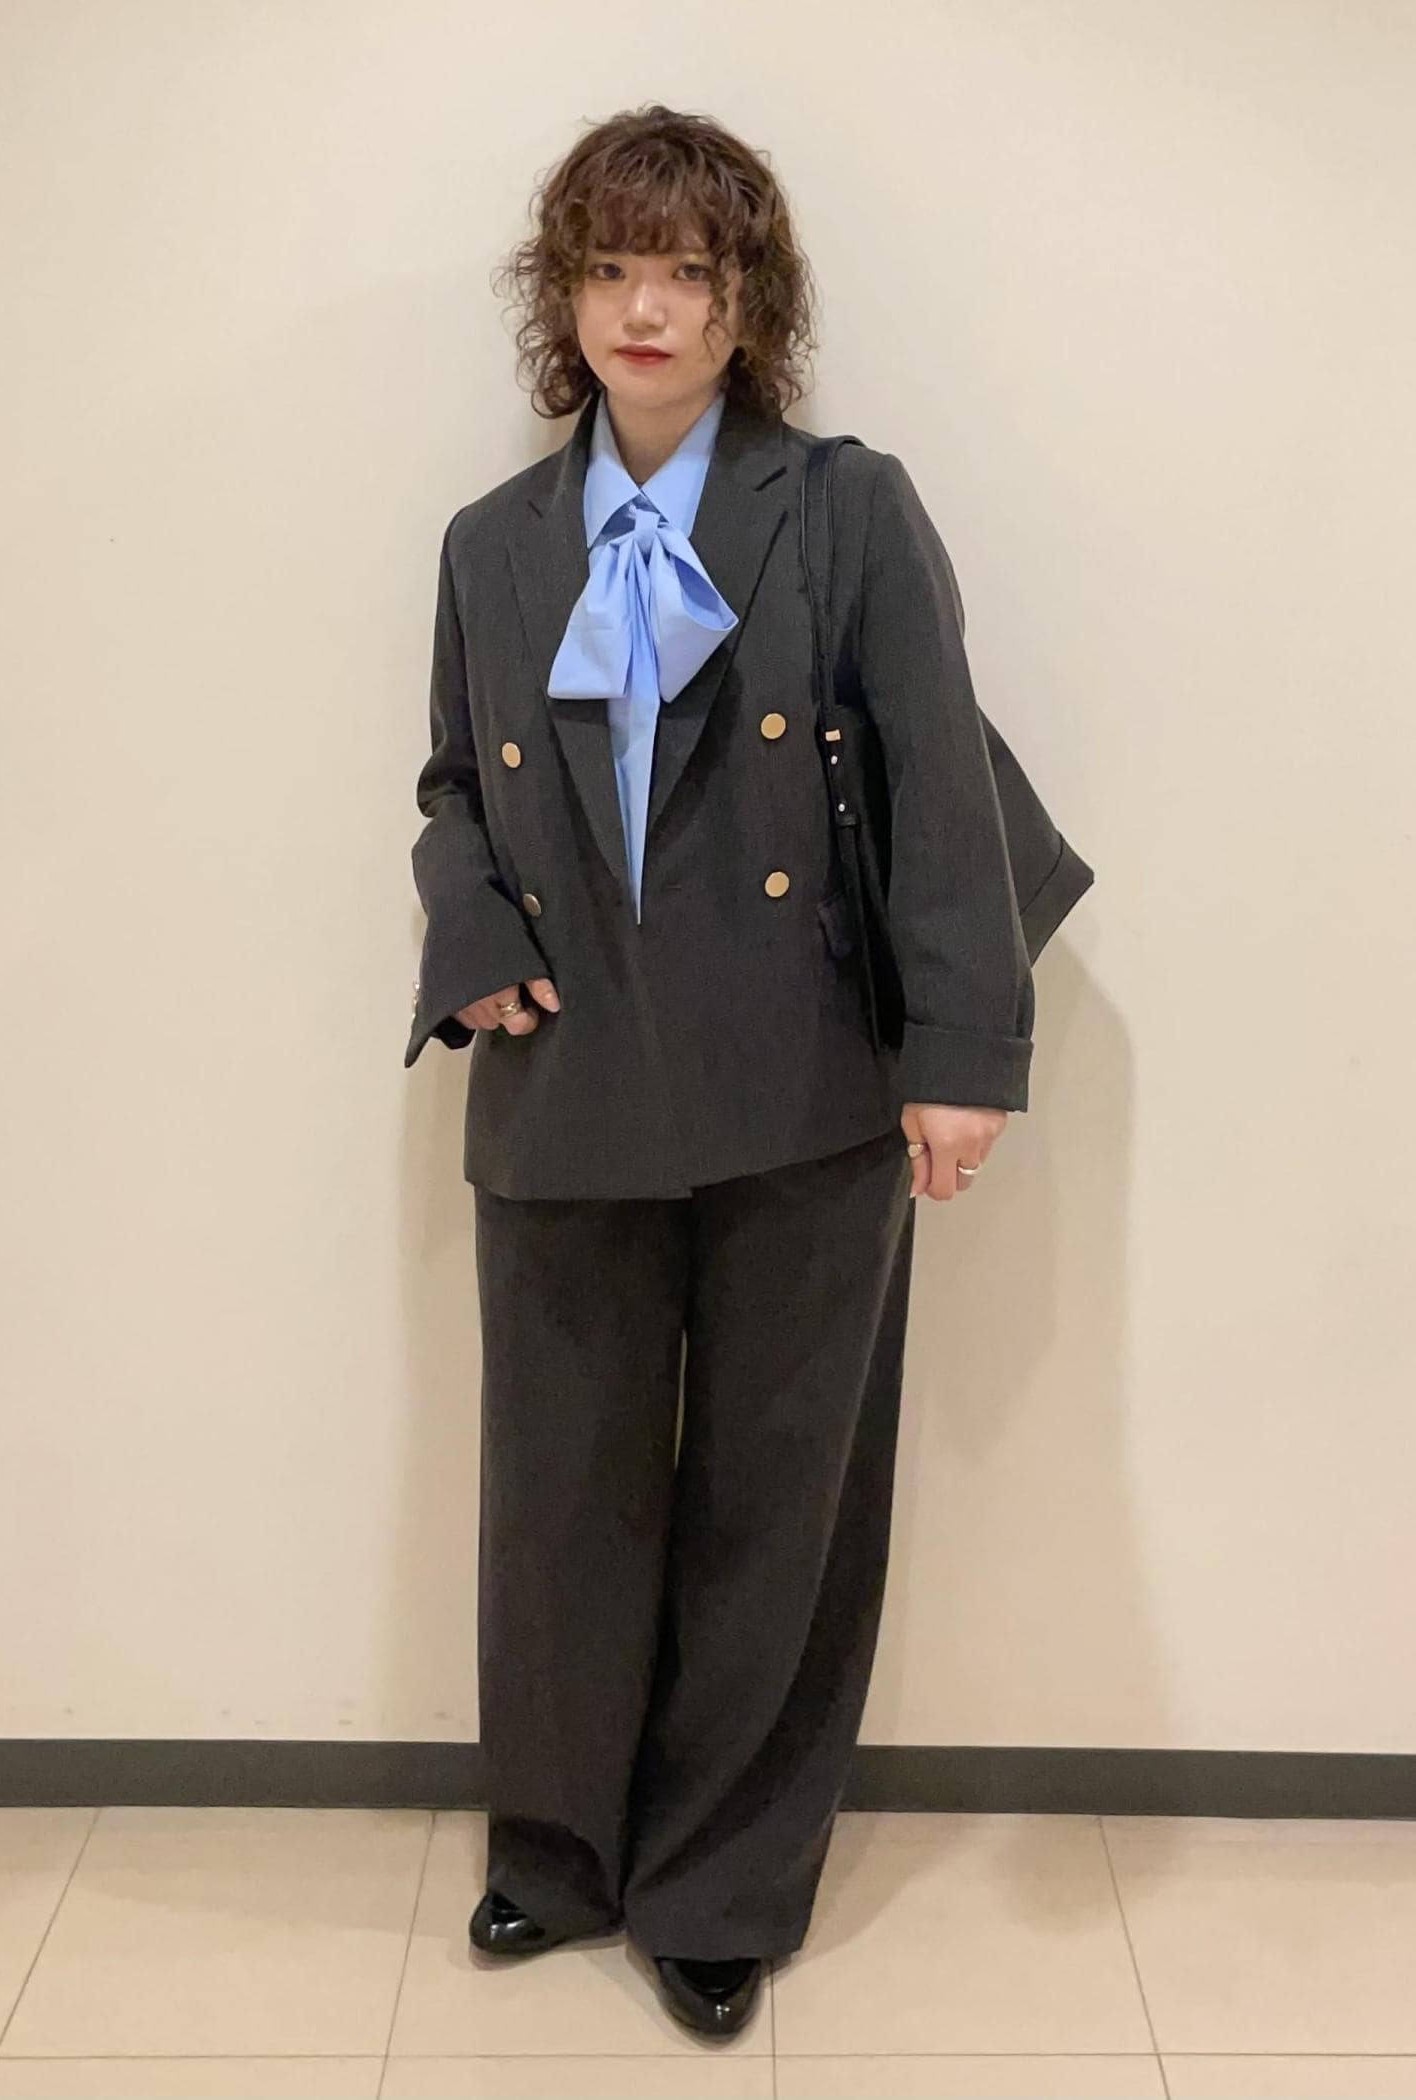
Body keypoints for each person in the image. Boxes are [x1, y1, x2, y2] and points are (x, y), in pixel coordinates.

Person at [404, 102, 1038, 2040]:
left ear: (746, 300)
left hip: (804, 1082)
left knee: (779, 1505)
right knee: (560, 1497)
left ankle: (719, 1884)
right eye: (610, 268)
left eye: (687, 270)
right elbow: (453, 789)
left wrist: (961, 1055)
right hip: (567, 1078)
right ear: (562, 297)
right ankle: (559, 1854)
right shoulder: (496, 545)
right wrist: (472, 936)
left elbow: (941, 788)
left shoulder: (842, 508)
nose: (646, 308)